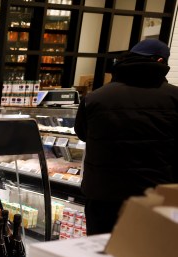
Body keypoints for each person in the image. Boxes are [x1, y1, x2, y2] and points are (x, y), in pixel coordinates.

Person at [74, 38, 178, 235]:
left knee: (98, 256)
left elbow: (82, 134)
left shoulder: (96, 98)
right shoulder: (175, 98)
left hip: (103, 195)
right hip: (155, 197)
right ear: (160, 63)